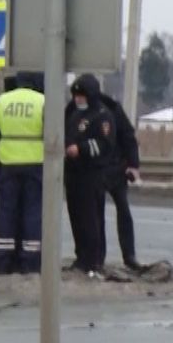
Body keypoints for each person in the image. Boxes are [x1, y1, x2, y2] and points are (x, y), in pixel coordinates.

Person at [0, 71, 46, 274]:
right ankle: (30, 261)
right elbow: (53, 135)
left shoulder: (2, 101)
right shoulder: (42, 101)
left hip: (8, 165)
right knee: (33, 212)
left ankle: (3, 261)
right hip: (36, 165)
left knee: (6, 213)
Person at [64, 73, 117, 274]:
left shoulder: (103, 116)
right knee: (76, 217)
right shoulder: (74, 113)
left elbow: (105, 145)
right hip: (73, 173)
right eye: (76, 95)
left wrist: (82, 149)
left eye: (82, 96)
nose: (78, 99)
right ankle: (81, 257)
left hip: (91, 174)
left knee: (91, 219)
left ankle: (94, 259)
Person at [95, 85, 142, 271]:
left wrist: (133, 165)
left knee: (122, 211)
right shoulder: (85, 110)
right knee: (97, 215)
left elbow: (128, 136)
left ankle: (128, 255)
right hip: (98, 170)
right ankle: (99, 257)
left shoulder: (113, 109)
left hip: (116, 168)